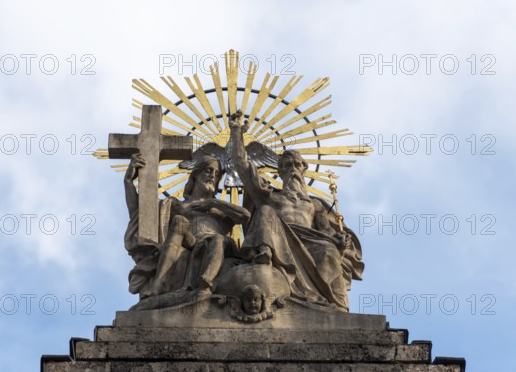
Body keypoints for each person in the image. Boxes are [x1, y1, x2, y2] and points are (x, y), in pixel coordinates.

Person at [229, 112, 364, 311]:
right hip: (279, 239)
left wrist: (338, 240)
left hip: (310, 241)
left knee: (328, 251)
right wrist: (236, 133)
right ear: (280, 172)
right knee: (265, 211)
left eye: (296, 165)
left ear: (303, 170)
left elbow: (325, 231)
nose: (292, 169)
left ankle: (331, 304)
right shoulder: (270, 196)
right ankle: (264, 254)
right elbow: (243, 168)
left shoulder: (316, 204)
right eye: (287, 166)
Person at [124, 153, 250, 300]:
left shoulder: (219, 210)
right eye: (208, 170)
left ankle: (207, 281)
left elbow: (245, 215)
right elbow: (140, 215)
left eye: (216, 174)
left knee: (217, 239)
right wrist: (128, 182)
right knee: (179, 220)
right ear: (195, 175)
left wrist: (212, 203)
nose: (212, 176)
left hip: (220, 244)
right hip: (193, 243)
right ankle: (159, 284)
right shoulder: (180, 206)